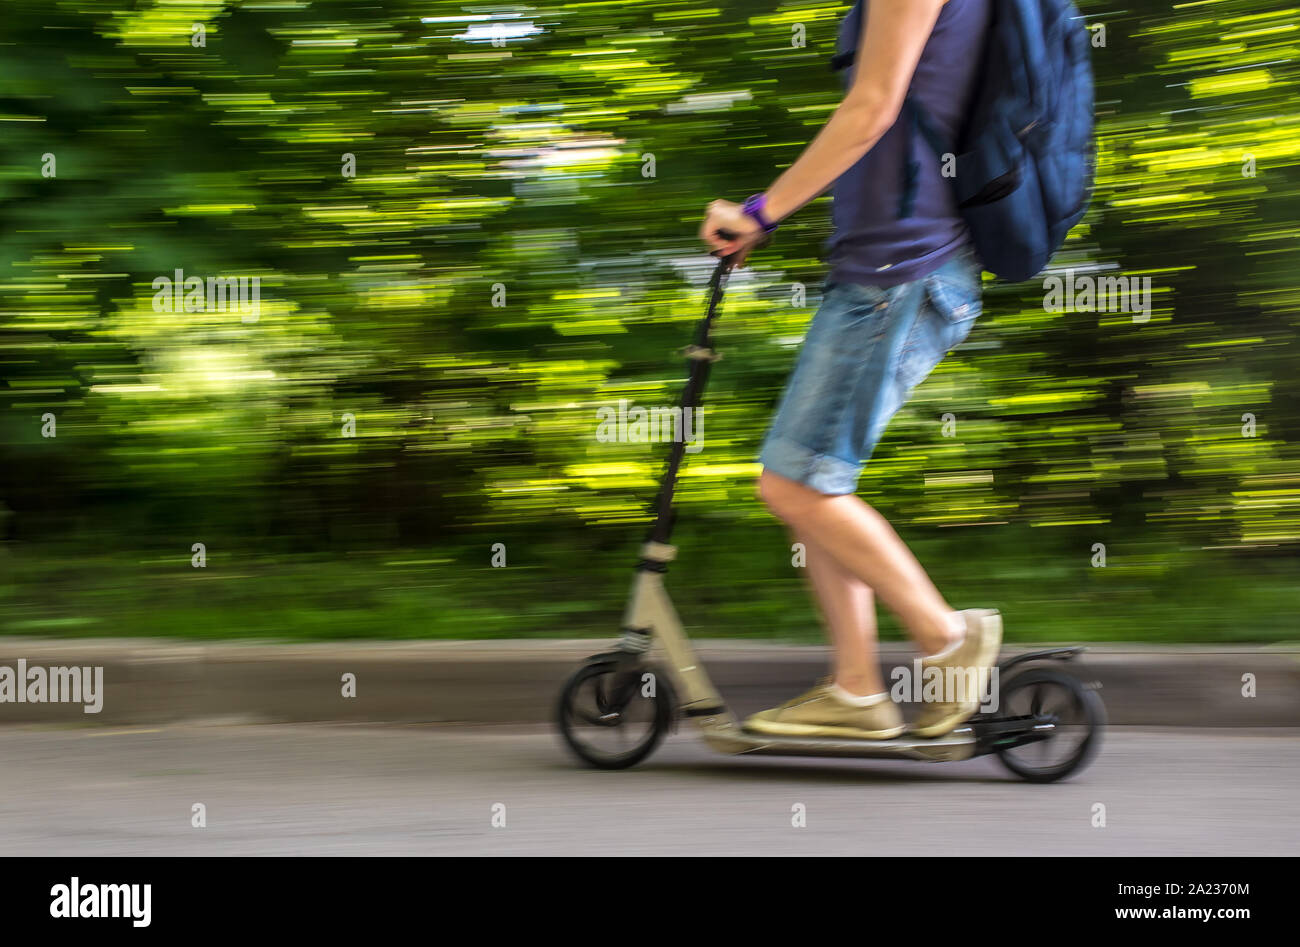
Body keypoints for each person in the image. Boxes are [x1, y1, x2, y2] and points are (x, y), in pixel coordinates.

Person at [698, 0, 1001, 740]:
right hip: (882, 269)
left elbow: (872, 108)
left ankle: (946, 638)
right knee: (811, 478)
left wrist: (762, 213)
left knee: (795, 484)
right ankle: (857, 687)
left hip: (901, 273)